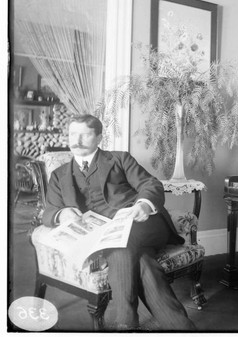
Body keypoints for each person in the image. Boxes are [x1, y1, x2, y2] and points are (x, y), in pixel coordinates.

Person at [42, 114, 196, 331]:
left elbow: (150, 184)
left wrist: (143, 204)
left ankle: (125, 321)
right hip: (107, 236)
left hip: (143, 223)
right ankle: (183, 328)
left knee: (121, 239)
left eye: (84, 134)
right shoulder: (59, 175)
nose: (76, 139)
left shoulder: (119, 159)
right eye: (72, 134)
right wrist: (62, 214)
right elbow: (49, 211)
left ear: (98, 138)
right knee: (142, 262)